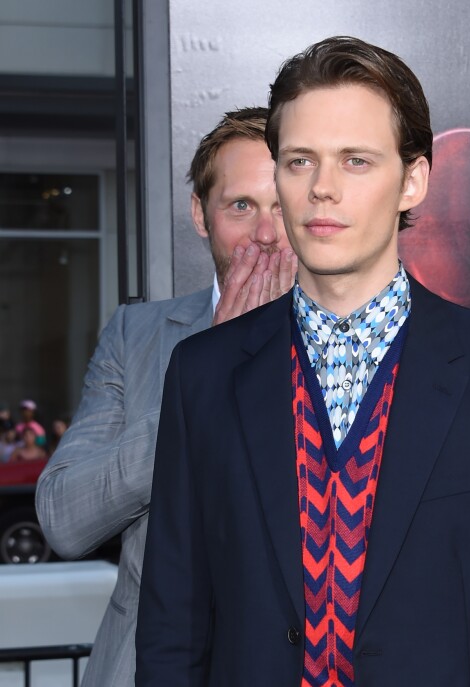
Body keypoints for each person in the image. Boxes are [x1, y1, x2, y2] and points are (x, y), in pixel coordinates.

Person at [135, 37, 470, 686]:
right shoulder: (202, 376)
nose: (322, 188)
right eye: (299, 161)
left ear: (413, 180)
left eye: (356, 161)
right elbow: (173, 634)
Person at [35, 107, 297, 687]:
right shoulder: (138, 336)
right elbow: (64, 519)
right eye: (241, 206)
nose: (266, 234)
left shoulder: (360, 338)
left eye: (282, 204)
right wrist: (207, 382)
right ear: (200, 216)